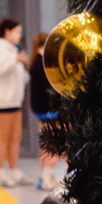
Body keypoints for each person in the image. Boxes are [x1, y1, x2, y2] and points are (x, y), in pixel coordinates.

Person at [0, 19, 29, 186]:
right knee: (3, 136)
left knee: (15, 137)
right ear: (7, 32)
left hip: (14, 100)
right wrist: (15, 60)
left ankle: (13, 169)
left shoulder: (12, 50)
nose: (19, 36)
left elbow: (17, 74)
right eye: (17, 32)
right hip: (3, 101)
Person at [27, 31, 65, 192]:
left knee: (46, 142)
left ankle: (47, 176)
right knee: (54, 143)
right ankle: (46, 177)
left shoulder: (35, 60)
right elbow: (50, 88)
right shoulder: (43, 63)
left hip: (40, 109)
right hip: (49, 109)